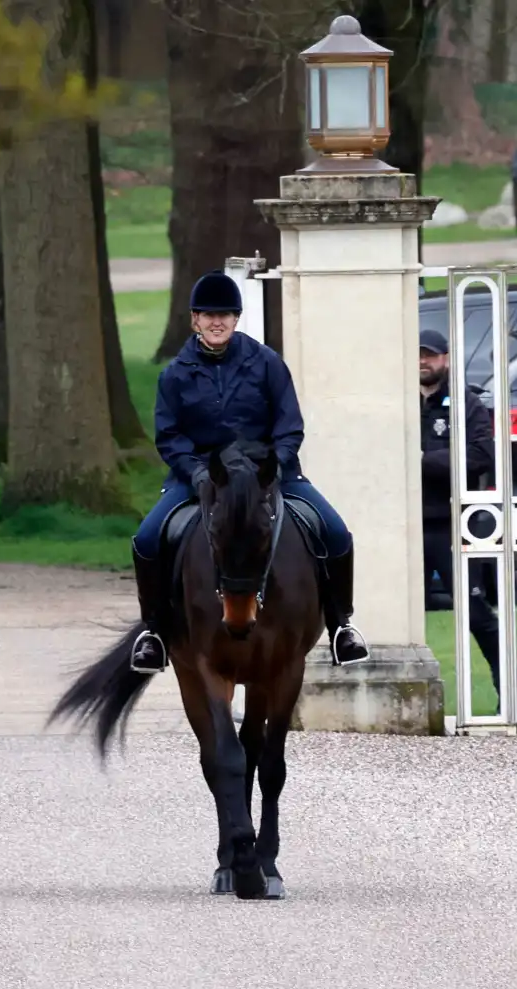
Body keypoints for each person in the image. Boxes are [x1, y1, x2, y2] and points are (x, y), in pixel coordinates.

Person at [129, 269, 370, 674]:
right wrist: (198, 473)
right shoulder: (174, 374)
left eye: (224, 314)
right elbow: (169, 436)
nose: (216, 321)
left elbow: (290, 425)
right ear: (194, 319)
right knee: (148, 539)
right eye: (208, 315)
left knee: (336, 532)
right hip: (202, 478)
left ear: (236, 319)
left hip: (270, 475)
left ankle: (341, 626)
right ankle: (153, 632)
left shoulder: (267, 362)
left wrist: (273, 466)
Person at [419, 327, 501, 710]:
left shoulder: (466, 403)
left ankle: (508, 695)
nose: (423, 362)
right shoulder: (394, 400)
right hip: (404, 528)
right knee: (383, 616)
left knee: (478, 615)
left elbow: (482, 456)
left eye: (431, 355)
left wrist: (422, 461)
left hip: (450, 524)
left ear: (447, 359)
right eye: (418, 354)